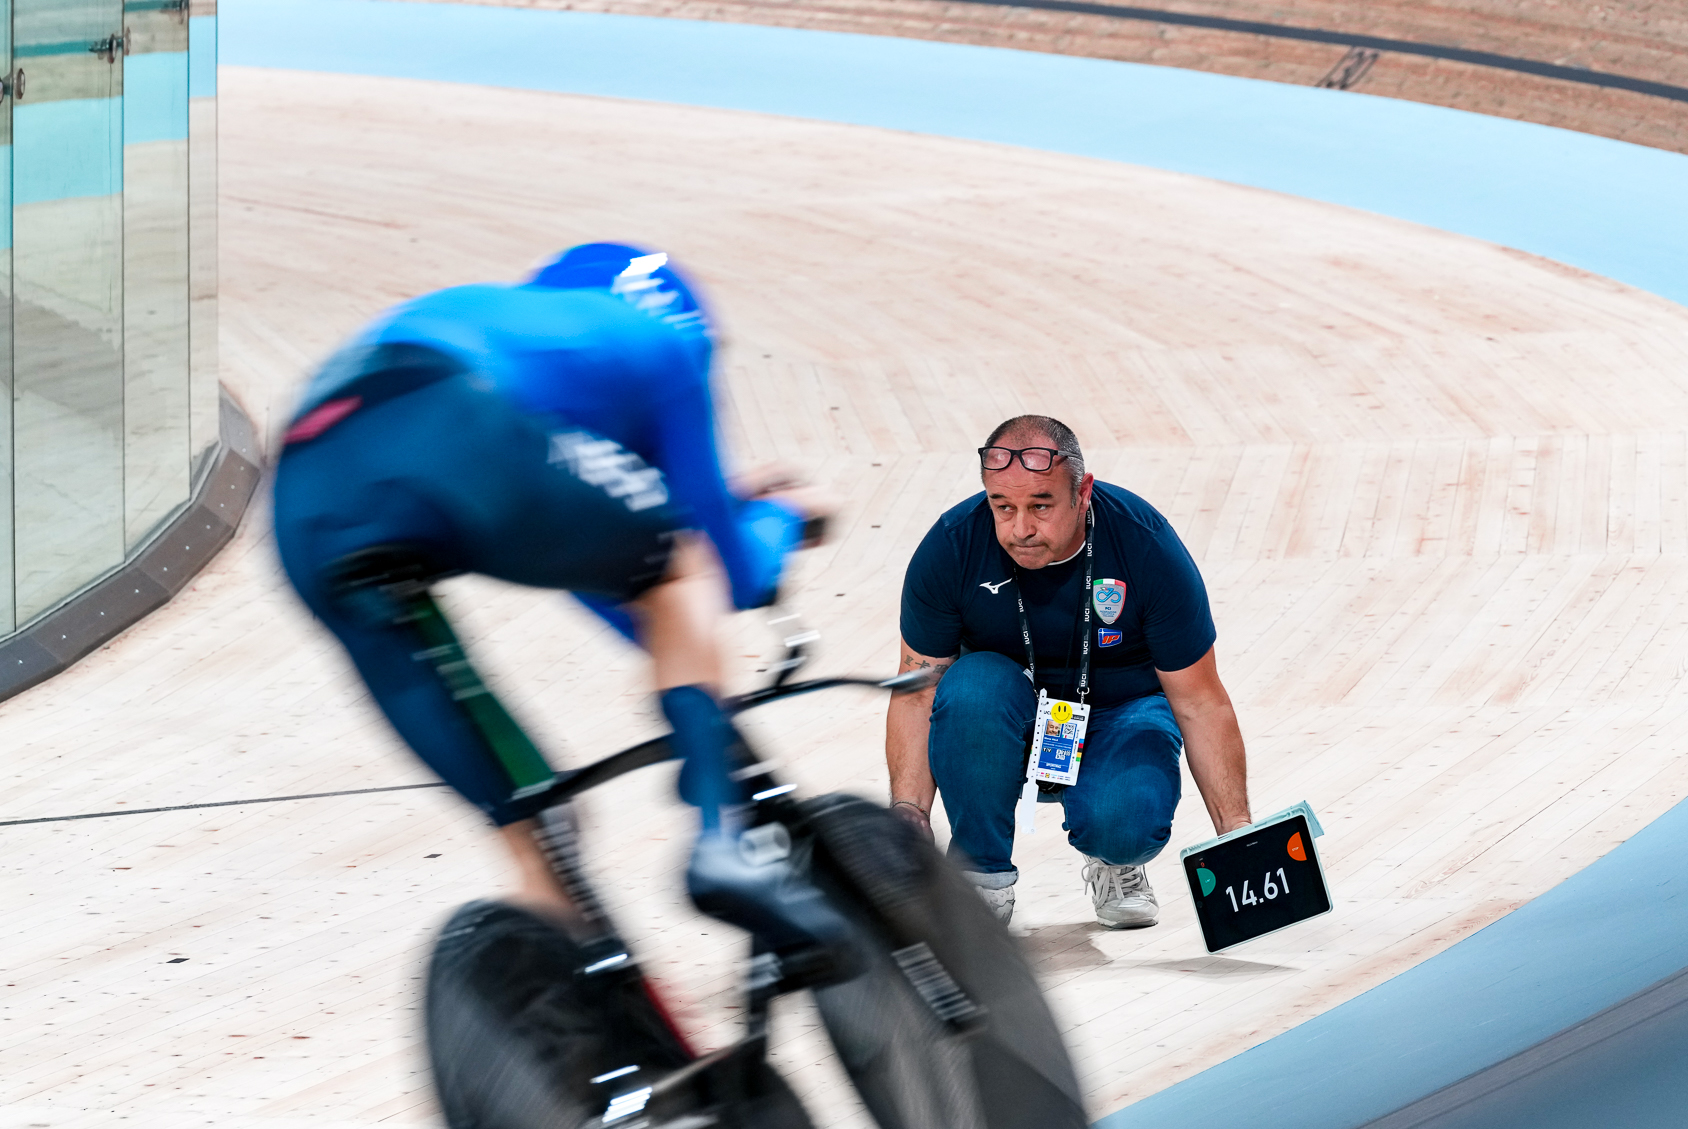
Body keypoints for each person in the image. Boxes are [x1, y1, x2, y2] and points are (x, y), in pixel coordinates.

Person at [272, 241, 852, 966]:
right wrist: (788, 516)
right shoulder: (665, 343)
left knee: (545, 832)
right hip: (449, 427)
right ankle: (722, 838)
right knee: (682, 566)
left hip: (304, 490)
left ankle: (590, 1028)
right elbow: (722, 573)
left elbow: (591, 555)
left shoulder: (513, 328)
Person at [886, 414, 1252, 928]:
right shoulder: (951, 547)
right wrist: (910, 811)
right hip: (1004, 713)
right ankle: (980, 880)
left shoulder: (1146, 545)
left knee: (1125, 823)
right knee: (968, 688)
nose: (1020, 529)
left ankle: (1115, 861)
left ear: (1083, 492)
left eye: (1041, 505)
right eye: (1002, 506)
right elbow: (916, 691)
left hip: (1120, 710)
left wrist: (1238, 836)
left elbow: (1200, 701)